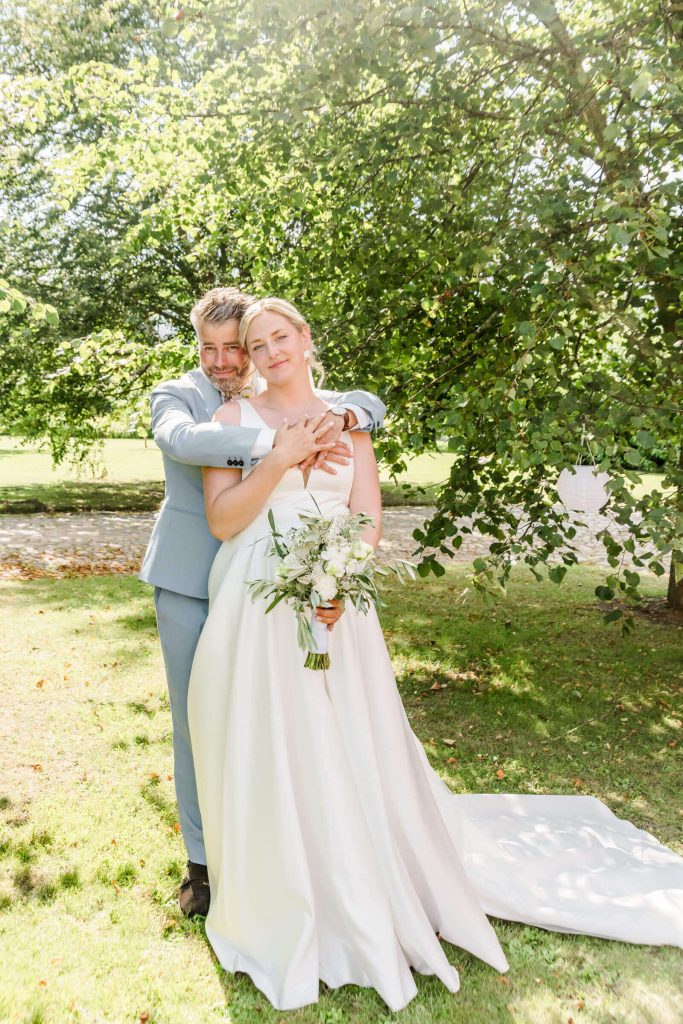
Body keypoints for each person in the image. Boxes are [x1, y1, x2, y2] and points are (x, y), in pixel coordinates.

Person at [188, 297, 683, 1013]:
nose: (268, 354)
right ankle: (279, 897)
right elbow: (223, 520)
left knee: (342, 745)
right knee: (267, 748)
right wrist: (279, 459)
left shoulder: (349, 423)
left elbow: (365, 522)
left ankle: (356, 881)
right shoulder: (231, 425)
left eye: (279, 338)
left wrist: (339, 584)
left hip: (334, 610)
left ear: (304, 337)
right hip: (251, 610)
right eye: (255, 345)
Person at [139, 287, 386, 916]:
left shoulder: (298, 401)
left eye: (234, 349)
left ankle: (291, 845)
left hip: (274, 584)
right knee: (198, 723)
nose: (223, 361)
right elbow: (181, 441)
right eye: (210, 348)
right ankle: (204, 865)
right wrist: (278, 447)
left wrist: (348, 417)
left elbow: (366, 404)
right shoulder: (180, 397)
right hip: (192, 578)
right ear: (198, 345)